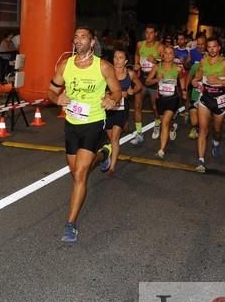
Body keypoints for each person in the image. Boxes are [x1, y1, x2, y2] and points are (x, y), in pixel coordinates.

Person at [48, 27, 121, 243]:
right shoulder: (65, 65)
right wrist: (56, 99)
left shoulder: (103, 66)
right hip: (71, 125)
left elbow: (117, 91)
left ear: (92, 42)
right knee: (77, 172)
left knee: (80, 174)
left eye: (84, 37)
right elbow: (50, 90)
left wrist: (112, 100)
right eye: (76, 37)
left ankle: (70, 224)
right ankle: (104, 155)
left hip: (93, 123)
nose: (79, 40)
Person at [191, 37, 225, 173]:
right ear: (207, 48)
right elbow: (200, 73)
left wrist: (219, 80)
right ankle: (201, 160)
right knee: (203, 129)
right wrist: (196, 79)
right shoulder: (204, 61)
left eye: (214, 47)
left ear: (219, 48)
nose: (211, 49)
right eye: (209, 47)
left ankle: (216, 143)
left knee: (217, 130)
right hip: (205, 98)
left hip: (220, 100)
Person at [101, 48, 143, 175]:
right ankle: (111, 151)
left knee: (115, 138)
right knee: (110, 137)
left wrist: (132, 91)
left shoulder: (129, 73)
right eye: (115, 57)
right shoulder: (108, 72)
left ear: (125, 61)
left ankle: (112, 166)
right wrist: (107, 94)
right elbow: (100, 88)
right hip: (108, 108)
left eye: (120, 58)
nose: (117, 60)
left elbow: (139, 85)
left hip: (121, 109)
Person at [145, 45, 187, 159]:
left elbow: (182, 78)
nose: (168, 55)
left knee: (164, 123)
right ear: (162, 55)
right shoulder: (156, 67)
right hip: (161, 99)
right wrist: (156, 80)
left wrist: (183, 90)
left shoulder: (178, 68)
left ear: (174, 56)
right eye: (166, 53)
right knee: (165, 123)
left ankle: (161, 149)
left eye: (170, 53)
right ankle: (173, 128)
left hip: (173, 99)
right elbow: (147, 82)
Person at [133, 24, 164, 144]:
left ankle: (157, 124)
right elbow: (136, 54)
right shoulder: (140, 44)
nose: (148, 35)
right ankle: (139, 133)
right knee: (137, 106)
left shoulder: (160, 47)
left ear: (155, 34)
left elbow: (166, 62)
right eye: (147, 32)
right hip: (141, 78)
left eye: (151, 33)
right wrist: (136, 63)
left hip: (154, 80)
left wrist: (156, 61)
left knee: (155, 107)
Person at [187, 34, 207, 139]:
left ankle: (201, 128)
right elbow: (189, 70)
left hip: (208, 92)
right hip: (195, 89)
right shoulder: (193, 53)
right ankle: (194, 126)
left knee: (204, 117)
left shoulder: (212, 54)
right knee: (194, 119)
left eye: (202, 44)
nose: (200, 46)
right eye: (198, 44)